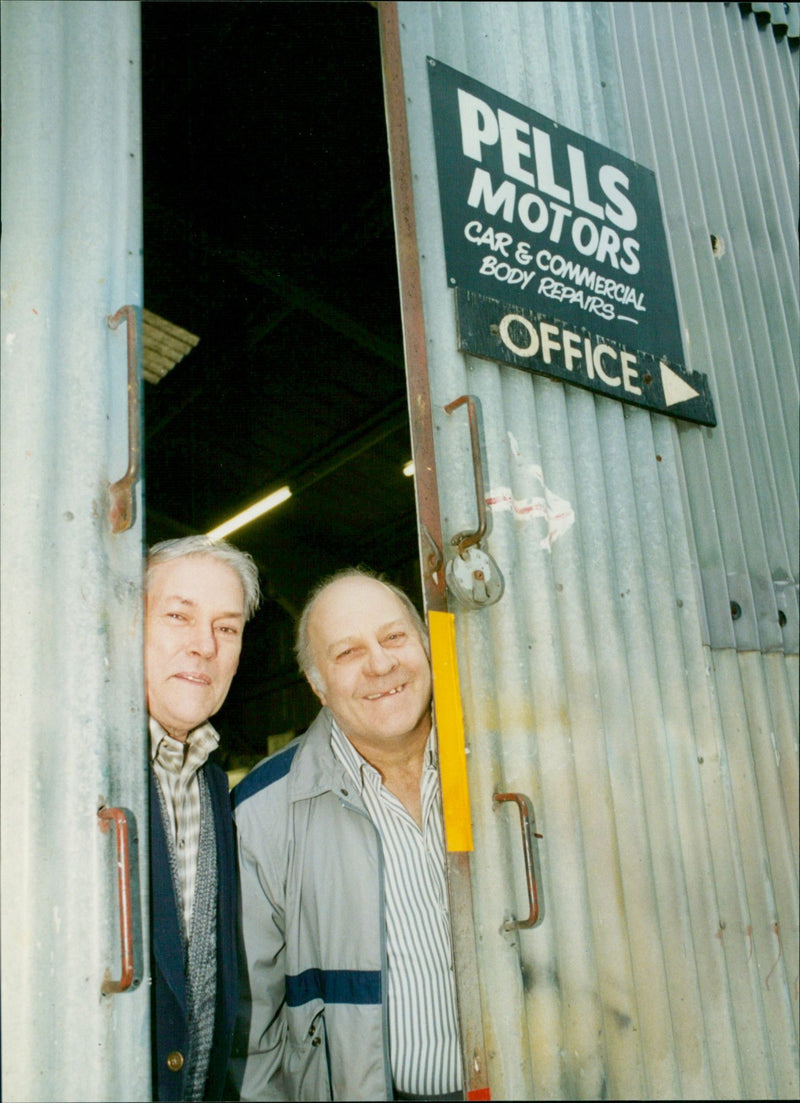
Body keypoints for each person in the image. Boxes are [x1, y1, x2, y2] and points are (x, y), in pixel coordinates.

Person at [231, 568, 463, 1101]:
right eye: (347, 653)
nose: (381, 665)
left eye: (394, 637)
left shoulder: (508, 760)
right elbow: (251, 1032)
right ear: (318, 685)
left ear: (426, 645)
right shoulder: (261, 814)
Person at [145, 535, 260, 1102]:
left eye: (227, 628)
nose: (204, 647)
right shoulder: (59, 778)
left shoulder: (211, 780)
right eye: (178, 616)